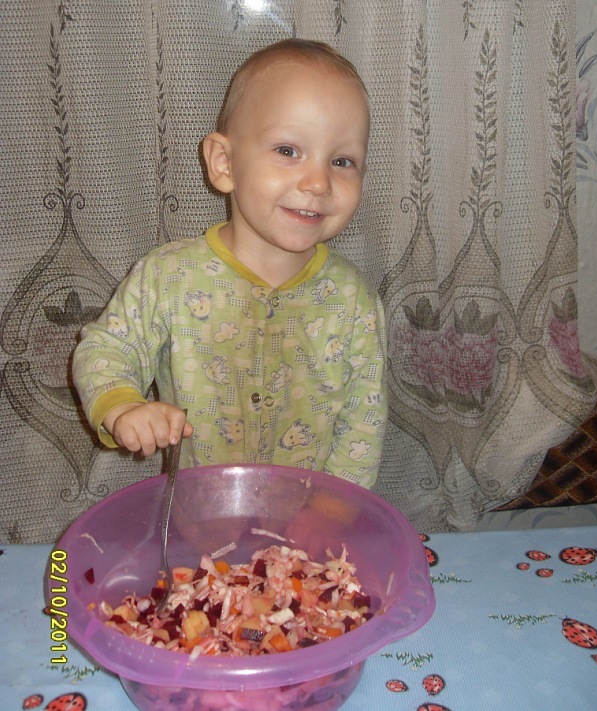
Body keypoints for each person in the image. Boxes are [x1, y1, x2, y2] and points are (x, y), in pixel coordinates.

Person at [72, 38, 387, 488]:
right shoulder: (169, 276)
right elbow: (107, 348)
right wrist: (123, 405)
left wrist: (334, 507)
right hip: (200, 510)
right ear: (224, 163)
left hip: (309, 514)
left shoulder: (354, 300)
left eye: (342, 161)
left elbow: (364, 423)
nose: (318, 182)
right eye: (288, 151)